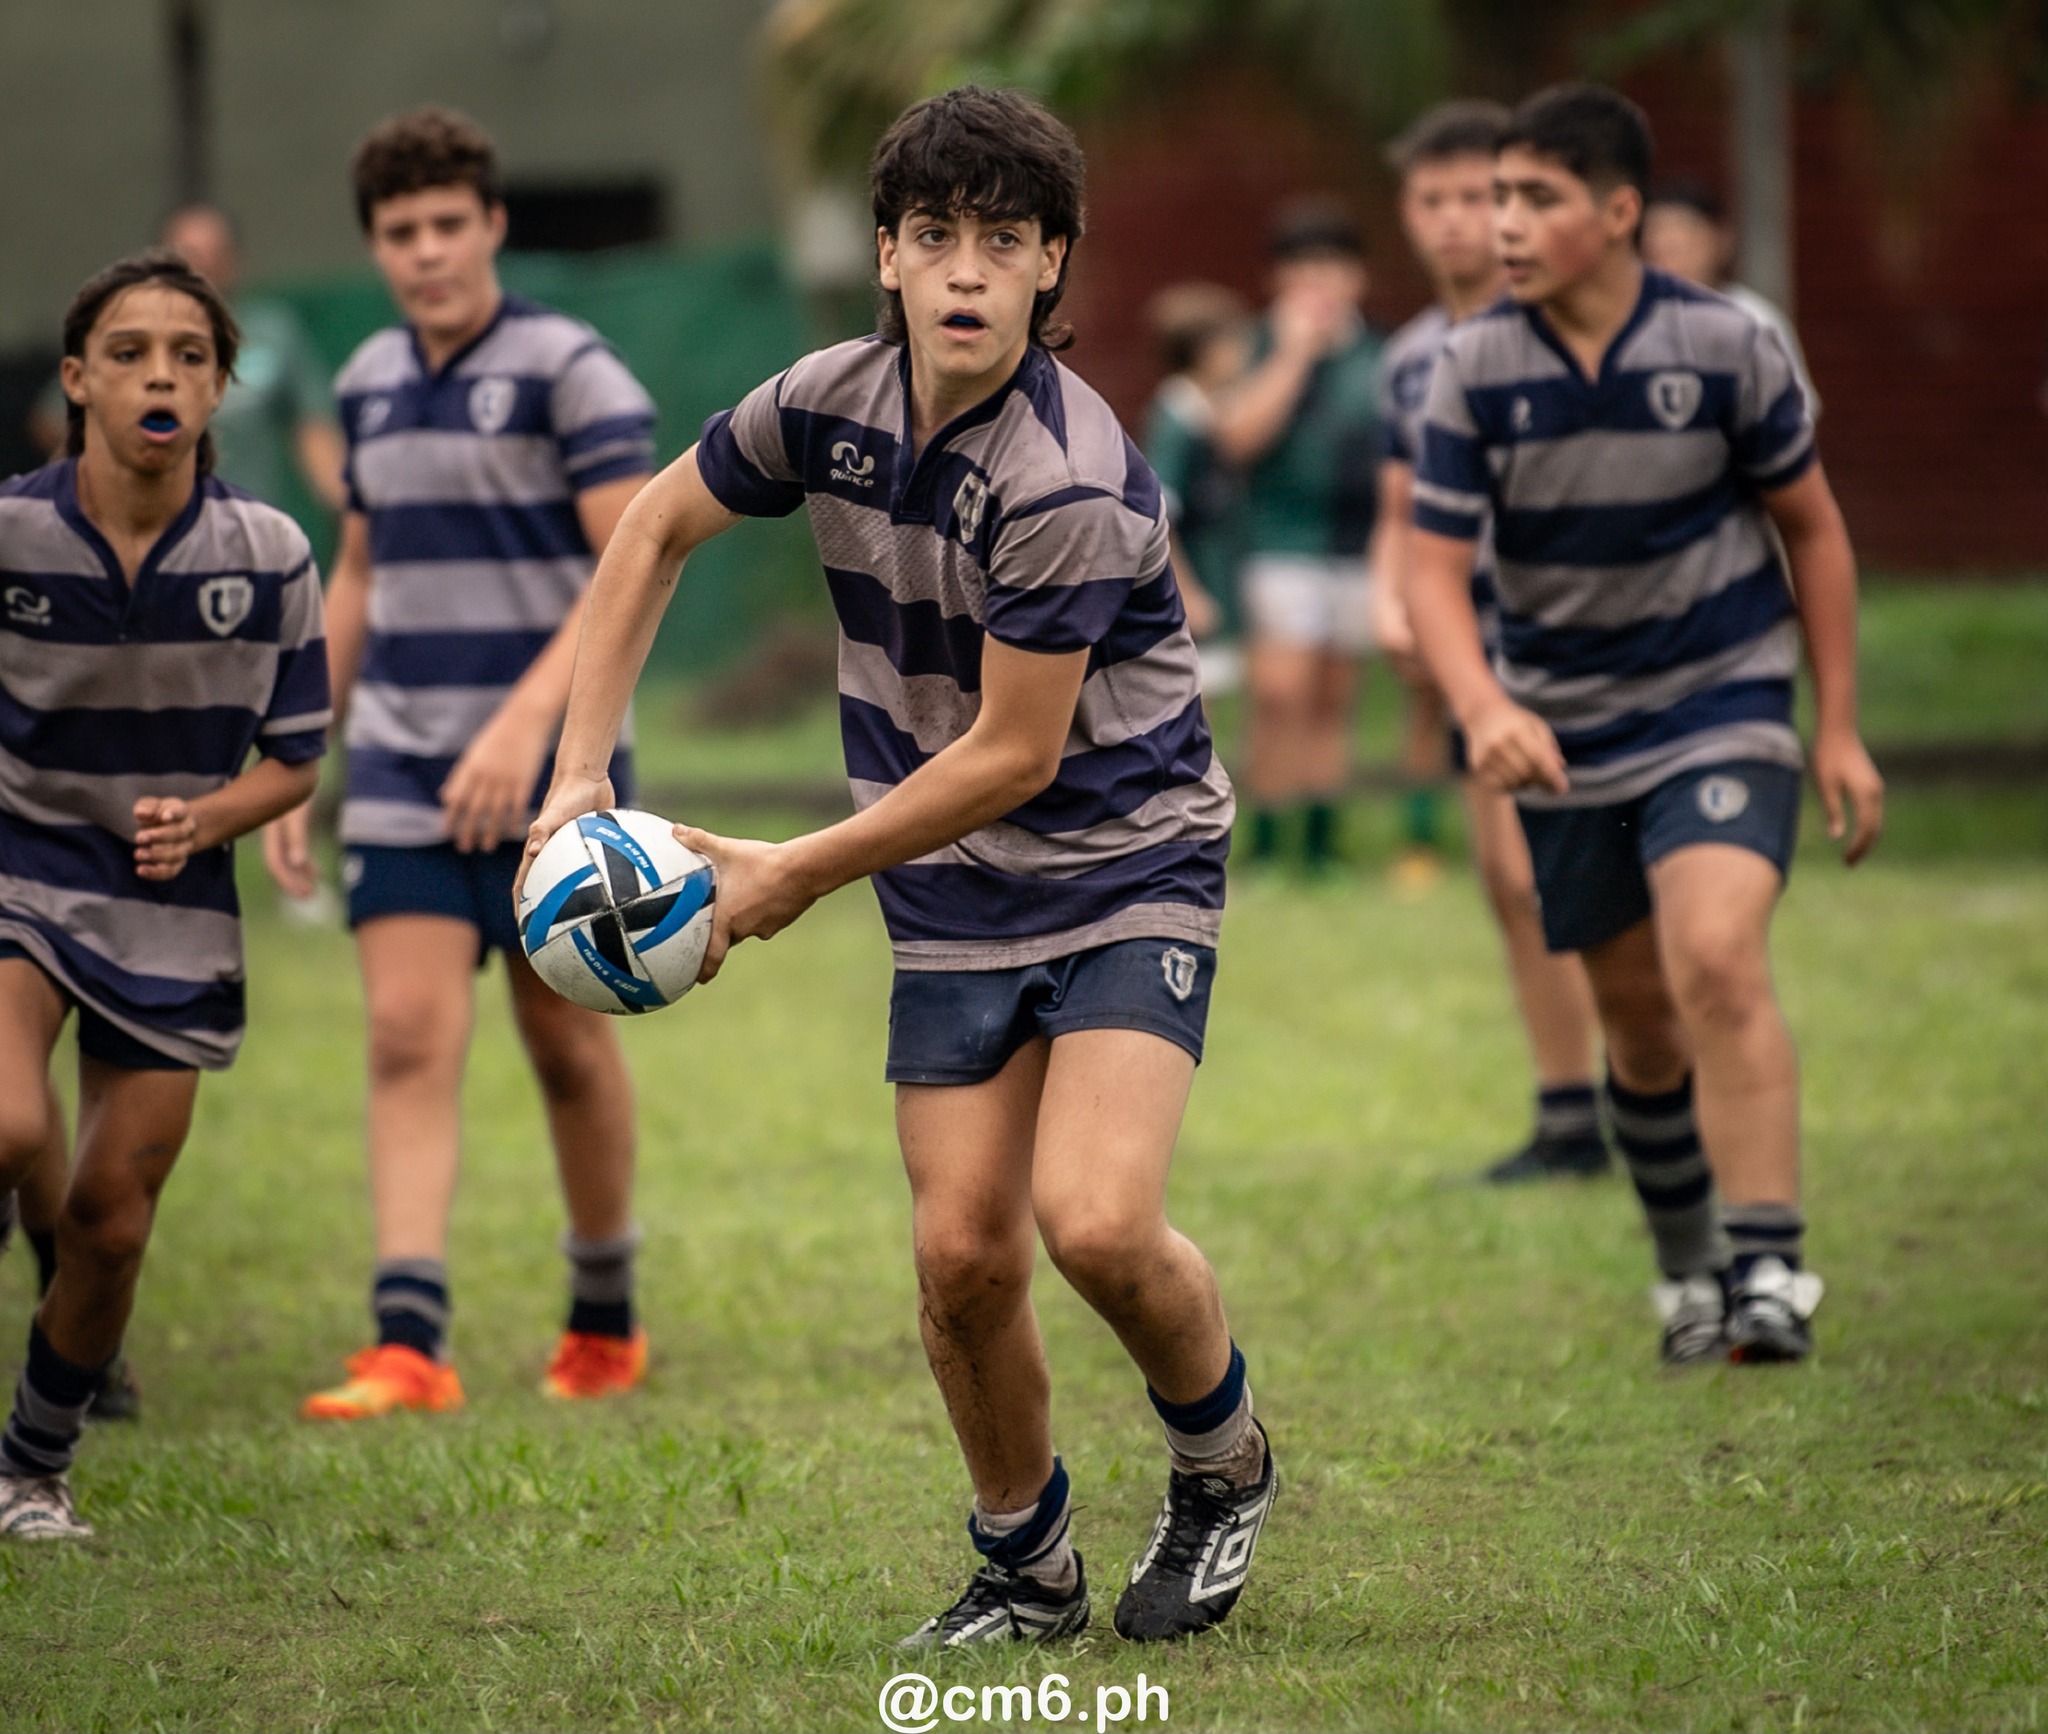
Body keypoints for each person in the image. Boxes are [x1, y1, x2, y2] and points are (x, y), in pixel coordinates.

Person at [522, 85, 1275, 1647]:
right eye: (935, 233)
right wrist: (582, 769)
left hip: (1123, 861)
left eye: (1004, 238)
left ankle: (1223, 1463)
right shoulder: (826, 401)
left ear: (1053, 263)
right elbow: (652, 530)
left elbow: (1014, 755)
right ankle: (1027, 1563)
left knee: (1097, 1223)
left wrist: (793, 870)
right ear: (887, 253)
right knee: (959, 1255)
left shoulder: (1065, 476)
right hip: (950, 883)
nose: (966, 268)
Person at [1406, 85, 1884, 1366]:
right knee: (1636, 1017)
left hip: (1719, 700)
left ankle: (1767, 1268)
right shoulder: (1471, 366)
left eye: (1535, 198)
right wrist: (1482, 706)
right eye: (1497, 197)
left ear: (1617, 212)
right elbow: (1430, 571)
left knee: (1714, 957)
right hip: (1561, 730)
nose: (1504, 224)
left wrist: (1836, 727)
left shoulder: (1724, 344)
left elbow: (1812, 530)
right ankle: (1686, 1270)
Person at [271, 108, 660, 1420]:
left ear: (493, 224)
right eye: (401, 232)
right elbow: (360, 571)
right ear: (375, 245)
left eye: (448, 224)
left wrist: (522, 730)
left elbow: (629, 568)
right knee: (403, 1035)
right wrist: (298, 748)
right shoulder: (368, 379)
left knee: (564, 1043)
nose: (427, 251)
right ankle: (408, 1342)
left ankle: (603, 1312)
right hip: (400, 768)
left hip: (559, 777)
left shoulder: (572, 369)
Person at [0, 251, 329, 1538]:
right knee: (9, 1126)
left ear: (220, 388)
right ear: (76, 381)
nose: (161, 376)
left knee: (111, 1225)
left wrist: (211, 816)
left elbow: (294, 763)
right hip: (22, 867)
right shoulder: (13, 533)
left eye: (190, 357)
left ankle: (31, 1471)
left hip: (171, 909)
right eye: (130, 353)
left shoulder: (270, 553)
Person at [1373, 100, 1609, 1184]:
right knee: (1509, 884)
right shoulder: (1410, 361)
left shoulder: (1562, 332)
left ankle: (1642, 1089)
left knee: (1561, 876)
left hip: (1574, 642)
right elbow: (1398, 510)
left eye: (1480, 196)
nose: (1458, 220)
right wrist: (1393, 603)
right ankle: (1569, 1111)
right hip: (1473, 654)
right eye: (1435, 200)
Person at [1208, 201, 1382, 869]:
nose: (1319, 283)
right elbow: (1237, 439)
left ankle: (1319, 843)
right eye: (1303, 268)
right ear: (1278, 279)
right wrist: (1294, 355)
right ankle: (1265, 840)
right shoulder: (1255, 346)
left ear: (1357, 276)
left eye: (1333, 267)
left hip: (1358, 547)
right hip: (1278, 543)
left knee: (1333, 697)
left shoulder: (1379, 354)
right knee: (1281, 696)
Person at [30, 205, 348, 515]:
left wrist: (345, 505)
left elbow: (315, 430)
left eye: (214, 254)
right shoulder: (120, 330)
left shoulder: (272, 332)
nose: (200, 267)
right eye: (185, 255)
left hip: (242, 525)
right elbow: (54, 419)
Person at [1141, 283, 1248, 686]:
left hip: (1217, 577)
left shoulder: (1210, 411)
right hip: (1192, 587)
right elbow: (1160, 514)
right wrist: (1187, 592)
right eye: (1234, 342)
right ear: (1207, 351)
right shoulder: (1174, 422)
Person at [1642, 180, 1820, 418]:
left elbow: (1796, 417)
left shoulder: (1755, 319)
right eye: (1658, 238)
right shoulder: (1629, 317)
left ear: (1721, 241)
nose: (1668, 253)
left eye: (1684, 241)